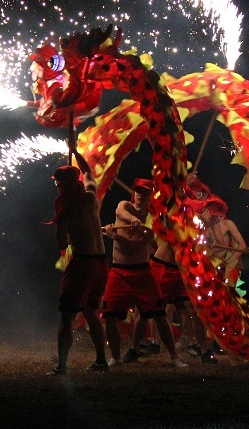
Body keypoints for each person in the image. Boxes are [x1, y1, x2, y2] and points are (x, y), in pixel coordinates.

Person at [102, 178, 187, 368]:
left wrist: (114, 236)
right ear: (134, 193)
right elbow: (120, 212)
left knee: (159, 313)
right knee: (110, 315)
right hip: (118, 270)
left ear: (151, 196)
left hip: (142, 272)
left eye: (146, 192)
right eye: (139, 191)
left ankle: (174, 357)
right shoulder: (124, 206)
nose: (141, 195)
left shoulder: (153, 218)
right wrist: (132, 219)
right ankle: (115, 357)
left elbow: (139, 244)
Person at [48, 138, 110, 375]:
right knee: (91, 312)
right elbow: (88, 171)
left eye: (57, 184)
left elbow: (61, 240)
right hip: (102, 262)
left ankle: (62, 366)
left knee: (67, 315)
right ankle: (101, 360)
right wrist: (75, 151)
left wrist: (66, 243)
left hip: (83, 263)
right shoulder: (91, 196)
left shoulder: (66, 207)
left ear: (61, 185)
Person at [151, 237, 217, 363]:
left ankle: (205, 351)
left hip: (183, 269)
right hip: (163, 267)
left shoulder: (202, 225)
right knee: (154, 309)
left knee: (194, 309)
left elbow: (206, 245)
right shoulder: (176, 219)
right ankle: (140, 347)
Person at [198, 195, 247, 288]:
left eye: (219, 216)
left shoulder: (227, 224)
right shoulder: (200, 221)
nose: (217, 219)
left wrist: (227, 261)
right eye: (215, 216)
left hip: (218, 264)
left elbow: (242, 246)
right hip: (203, 263)